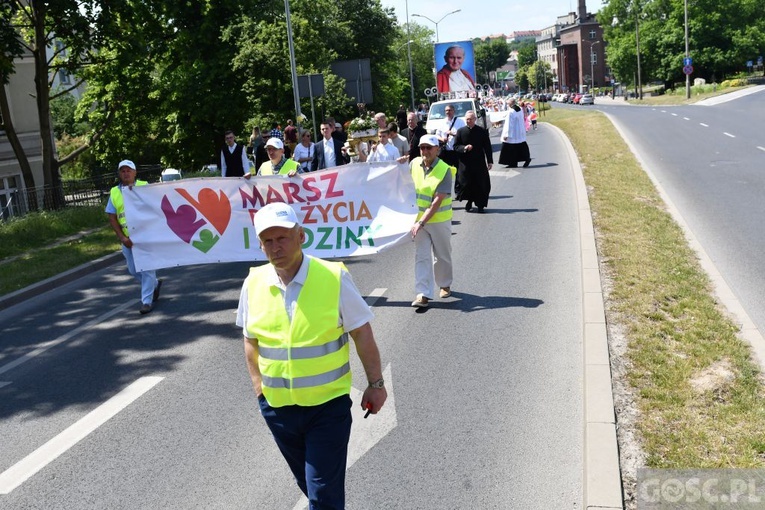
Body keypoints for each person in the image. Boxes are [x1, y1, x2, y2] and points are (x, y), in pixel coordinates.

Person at [237, 201, 387, 509]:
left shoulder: (333, 277)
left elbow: (362, 333)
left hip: (326, 408)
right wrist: (259, 388)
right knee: (309, 484)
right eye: (268, 241)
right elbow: (250, 339)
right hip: (278, 410)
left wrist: (376, 383)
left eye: (282, 238)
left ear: (300, 236)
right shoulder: (253, 282)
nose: (275, 247)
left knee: (322, 494)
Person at [105, 160, 161, 315]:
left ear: (135, 172)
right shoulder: (115, 192)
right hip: (128, 239)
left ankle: (146, 302)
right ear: (119, 173)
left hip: (145, 236)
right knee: (133, 270)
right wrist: (122, 238)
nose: (126, 173)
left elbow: (156, 206)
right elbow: (112, 216)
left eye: (129, 170)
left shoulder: (144, 186)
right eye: (122, 171)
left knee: (147, 269)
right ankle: (155, 284)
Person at [409, 135, 454, 308]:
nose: (425, 151)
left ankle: (444, 284)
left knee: (442, 255)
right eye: (422, 148)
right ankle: (423, 294)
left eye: (429, 148)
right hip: (419, 221)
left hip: (438, 220)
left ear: (437, 149)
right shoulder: (414, 164)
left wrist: (421, 222)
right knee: (421, 256)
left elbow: (437, 201)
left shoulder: (444, 170)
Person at [453, 110, 493, 213]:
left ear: (475, 119)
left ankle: (480, 205)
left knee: (481, 184)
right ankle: (469, 201)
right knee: (466, 184)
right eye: (467, 119)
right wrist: (464, 148)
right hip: (465, 164)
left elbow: (487, 147)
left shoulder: (481, 131)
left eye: (470, 119)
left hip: (479, 163)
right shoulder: (460, 131)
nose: (468, 121)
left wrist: (490, 161)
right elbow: (456, 146)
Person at [499, 98, 532, 168]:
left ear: (510, 104)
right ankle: (522, 159)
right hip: (519, 130)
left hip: (513, 132)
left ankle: (513, 162)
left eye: (508, 103)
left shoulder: (511, 112)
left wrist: (506, 134)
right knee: (521, 145)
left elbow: (509, 124)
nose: (507, 105)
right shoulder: (519, 109)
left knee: (509, 147)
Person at [435, 104, 466, 169]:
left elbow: (464, 135)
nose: (447, 112)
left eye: (449, 110)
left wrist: (453, 134)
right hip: (446, 151)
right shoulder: (442, 122)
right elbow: (437, 135)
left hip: (457, 151)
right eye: (446, 111)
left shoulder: (460, 121)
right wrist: (442, 139)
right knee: (446, 171)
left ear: (454, 111)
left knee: (459, 172)